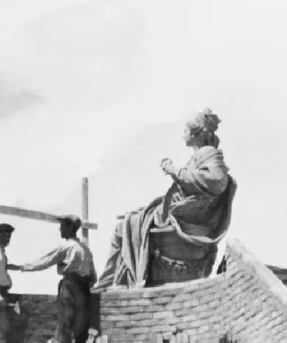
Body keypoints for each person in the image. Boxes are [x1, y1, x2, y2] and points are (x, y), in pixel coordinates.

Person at [94, 108, 236, 290]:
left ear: (195, 133)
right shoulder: (200, 155)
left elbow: (217, 181)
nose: (182, 134)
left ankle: (113, 281)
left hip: (180, 218)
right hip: (173, 211)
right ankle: (114, 279)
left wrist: (174, 170)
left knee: (125, 227)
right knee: (131, 221)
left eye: (185, 130)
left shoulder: (209, 153)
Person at [10, 215, 97, 343]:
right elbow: (93, 276)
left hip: (70, 286)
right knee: (81, 320)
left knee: (66, 317)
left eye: (62, 226)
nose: (59, 229)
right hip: (84, 289)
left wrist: (22, 267)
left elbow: (45, 261)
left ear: (69, 227)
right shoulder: (85, 249)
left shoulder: (67, 246)